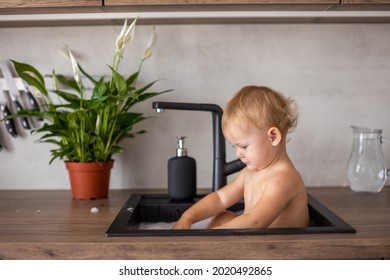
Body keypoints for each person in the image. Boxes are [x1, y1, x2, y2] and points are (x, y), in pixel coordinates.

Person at [172, 85, 310, 229]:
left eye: (243, 146)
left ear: (273, 137)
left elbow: (255, 222)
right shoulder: (249, 173)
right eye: (235, 147)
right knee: (224, 216)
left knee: (231, 223)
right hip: (256, 240)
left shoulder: (283, 179)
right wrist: (188, 217)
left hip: (280, 248)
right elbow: (220, 198)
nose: (238, 154)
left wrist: (207, 236)